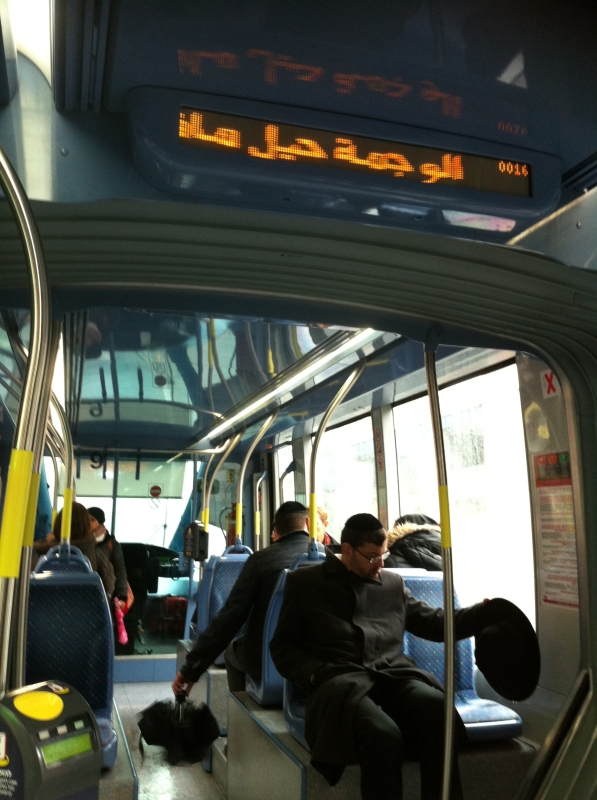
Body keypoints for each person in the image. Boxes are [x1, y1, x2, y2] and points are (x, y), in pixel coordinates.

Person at [270, 512, 487, 800]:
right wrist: (315, 673)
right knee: (382, 735)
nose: (381, 564)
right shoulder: (306, 583)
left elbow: (434, 622)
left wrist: (481, 614)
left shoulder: (392, 584)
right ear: (347, 550)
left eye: (383, 555)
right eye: (372, 557)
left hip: (392, 675)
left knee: (438, 710)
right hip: (341, 682)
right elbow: (283, 647)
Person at [172, 501, 324, 696]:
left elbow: (230, 618)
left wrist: (191, 669)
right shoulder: (328, 558)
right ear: (308, 524)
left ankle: (242, 704)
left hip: (266, 658)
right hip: (317, 659)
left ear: (276, 531)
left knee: (232, 651)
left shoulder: (261, 560)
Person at [33, 502, 115, 597]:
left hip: (45, 604)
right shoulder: (95, 554)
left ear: (58, 524)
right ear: (85, 525)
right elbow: (109, 586)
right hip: (85, 604)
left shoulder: (42, 553)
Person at [87, 506, 129, 609]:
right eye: (86, 520)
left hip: (107, 593)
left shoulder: (111, 544)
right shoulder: (84, 543)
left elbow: (120, 570)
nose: (89, 523)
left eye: (92, 520)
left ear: (100, 522)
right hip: (88, 591)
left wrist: (120, 596)